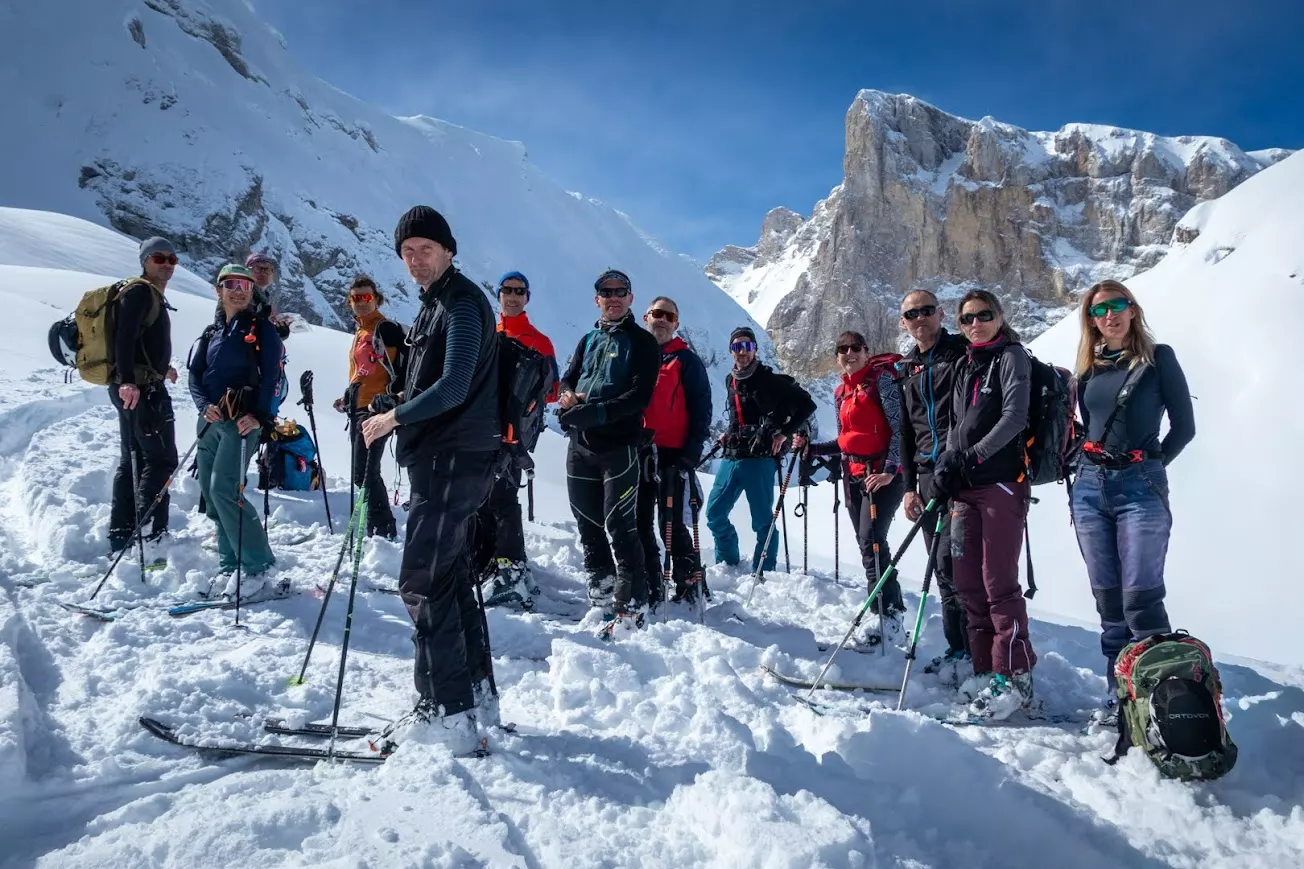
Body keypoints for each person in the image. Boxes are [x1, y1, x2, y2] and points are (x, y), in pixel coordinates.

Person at [361, 206, 501, 754]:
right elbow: (431, 382)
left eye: (426, 248)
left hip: (452, 459)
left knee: (420, 581)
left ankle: (445, 711)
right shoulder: (436, 304)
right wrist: (393, 400)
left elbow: (455, 386)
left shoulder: (462, 304)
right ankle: (474, 696)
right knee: (449, 579)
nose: (416, 260)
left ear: (448, 250)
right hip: (446, 459)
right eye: (407, 251)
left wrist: (393, 418)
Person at [1070, 279, 1194, 681]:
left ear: (1133, 309)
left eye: (1117, 305)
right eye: (1099, 310)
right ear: (1090, 320)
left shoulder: (1159, 358)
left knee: (1141, 600)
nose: (1110, 315)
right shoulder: (1090, 368)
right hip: (1090, 488)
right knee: (1109, 604)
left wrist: (1150, 465)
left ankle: (1160, 700)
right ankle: (1121, 697)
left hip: (1140, 489)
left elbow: (1183, 427)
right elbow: (1090, 428)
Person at [933, 289, 1036, 721]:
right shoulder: (966, 364)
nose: (975, 324)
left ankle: (1013, 675)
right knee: (967, 581)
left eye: (984, 315)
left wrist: (970, 457)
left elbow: (1014, 418)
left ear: (999, 316)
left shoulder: (1012, 357)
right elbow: (956, 425)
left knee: (998, 583)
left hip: (1000, 485)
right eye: (967, 319)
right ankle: (982, 669)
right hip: (965, 489)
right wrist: (947, 464)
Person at [557, 268, 660, 635]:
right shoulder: (589, 339)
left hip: (619, 446)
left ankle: (632, 607)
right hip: (580, 447)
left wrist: (595, 411)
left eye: (621, 291)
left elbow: (639, 396)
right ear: (596, 298)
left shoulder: (643, 342)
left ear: (631, 298)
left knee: (620, 525)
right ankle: (600, 598)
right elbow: (568, 376)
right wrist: (569, 395)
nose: (613, 297)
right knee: (588, 526)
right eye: (606, 291)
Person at [795, 331, 906, 645]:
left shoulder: (881, 381)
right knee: (866, 542)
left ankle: (888, 612)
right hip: (853, 475)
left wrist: (890, 470)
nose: (849, 353)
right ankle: (886, 605)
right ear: (837, 357)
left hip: (882, 474)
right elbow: (845, 441)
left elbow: (899, 429)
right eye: (842, 349)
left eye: (855, 348)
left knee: (873, 539)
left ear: (866, 351)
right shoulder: (840, 391)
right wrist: (813, 450)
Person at [187, 264, 283, 595]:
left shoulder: (262, 329)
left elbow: (273, 377)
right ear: (219, 290)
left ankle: (258, 567)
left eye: (244, 284)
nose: (238, 289)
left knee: (225, 490)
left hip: (242, 423)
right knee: (212, 495)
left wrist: (261, 417)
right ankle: (231, 566)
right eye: (230, 284)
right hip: (211, 421)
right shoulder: (212, 333)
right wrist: (203, 407)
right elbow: (195, 375)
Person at [896, 290, 971, 680]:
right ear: (903, 322)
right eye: (912, 313)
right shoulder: (906, 368)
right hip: (926, 478)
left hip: (961, 473)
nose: (920, 318)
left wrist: (955, 461)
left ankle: (977, 651)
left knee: (959, 563)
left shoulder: (961, 352)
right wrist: (909, 486)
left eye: (927, 311)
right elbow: (906, 432)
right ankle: (957, 646)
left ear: (942, 314)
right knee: (939, 567)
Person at [478, 270, 559, 609]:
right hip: (482, 429)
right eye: (507, 290)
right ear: (498, 295)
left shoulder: (540, 341)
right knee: (482, 497)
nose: (512, 296)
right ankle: (488, 561)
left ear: (527, 298)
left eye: (519, 291)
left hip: (515, 435)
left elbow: (552, 392)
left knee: (504, 497)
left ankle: (510, 566)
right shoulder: (488, 334)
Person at [706, 327, 815, 573]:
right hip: (732, 455)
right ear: (731, 351)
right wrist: (729, 433)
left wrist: (784, 433)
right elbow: (737, 416)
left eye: (746, 346)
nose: (742, 352)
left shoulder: (769, 380)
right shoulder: (730, 380)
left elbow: (807, 403)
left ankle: (763, 572)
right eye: (736, 347)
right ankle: (727, 564)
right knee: (714, 513)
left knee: (763, 521)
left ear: (755, 349)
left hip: (760, 458)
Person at [107, 237, 181, 564]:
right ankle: (149, 534)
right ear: (145, 260)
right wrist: (128, 381)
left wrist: (162, 368)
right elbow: (124, 338)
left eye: (171, 259)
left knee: (133, 458)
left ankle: (121, 533)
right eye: (159, 258)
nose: (166, 264)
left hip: (139, 384)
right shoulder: (139, 292)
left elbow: (139, 341)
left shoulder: (145, 293)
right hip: (141, 390)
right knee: (161, 460)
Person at [637, 296, 712, 607]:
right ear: (646, 317)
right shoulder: (638, 355)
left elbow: (701, 408)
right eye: (657, 313)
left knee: (670, 522)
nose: (662, 320)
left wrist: (690, 453)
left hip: (672, 455)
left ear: (676, 323)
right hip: (639, 452)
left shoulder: (686, 360)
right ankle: (649, 581)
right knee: (639, 520)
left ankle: (689, 581)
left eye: (668, 315)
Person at [332, 275, 406, 540]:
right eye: (355, 298)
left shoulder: (385, 329)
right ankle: (378, 526)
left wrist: (395, 398)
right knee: (362, 471)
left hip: (378, 409)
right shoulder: (361, 331)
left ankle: (383, 528)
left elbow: (403, 370)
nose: (361, 303)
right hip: (359, 408)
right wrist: (347, 397)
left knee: (365, 470)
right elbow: (363, 373)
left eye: (366, 297)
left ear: (376, 299)